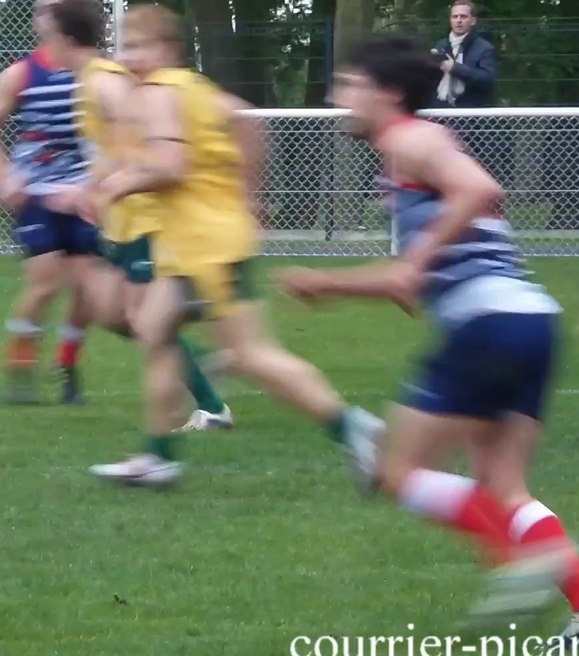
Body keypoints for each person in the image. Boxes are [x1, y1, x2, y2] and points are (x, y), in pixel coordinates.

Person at [276, 35, 579, 640]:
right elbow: (410, 271)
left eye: (350, 84)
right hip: (526, 319)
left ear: (387, 93)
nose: (339, 98)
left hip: (485, 323)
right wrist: (332, 283)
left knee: (394, 469)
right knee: (504, 486)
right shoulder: (403, 155)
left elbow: (480, 191)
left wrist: (416, 263)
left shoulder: (412, 138)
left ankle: (520, 560)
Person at [85, 4, 382, 486]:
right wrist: (250, 195)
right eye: (124, 46)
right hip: (206, 237)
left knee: (250, 355)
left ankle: (354, 427)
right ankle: (158, 455)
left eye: (138, 46)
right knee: (155, 331)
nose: (128, 57)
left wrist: (116, 185)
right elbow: (248, 120)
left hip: (203, 245)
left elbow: (169, 167)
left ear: (166, 49)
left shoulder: (161, 91)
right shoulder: (193, 87)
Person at [41, 0, 233, 432]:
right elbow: (117, 144)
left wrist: (104, 184)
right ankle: (203, 356)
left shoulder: (104, 81)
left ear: (66, 39)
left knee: (143, 319)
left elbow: (140, 133)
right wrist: (92, 188)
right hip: (124, 217)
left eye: (46, 35)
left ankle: (210, 399)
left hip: (144, 214)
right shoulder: (90, 81)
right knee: (116, 313)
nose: (43, 45)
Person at [0, 0, 98, 405]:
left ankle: (68, 363)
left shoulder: (97, 73)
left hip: (85, 192)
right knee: (45, 283)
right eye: (41, 9)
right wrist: (3, 177)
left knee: (88, 289)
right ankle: (21, 367)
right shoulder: (21, 74)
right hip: (37, 193)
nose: (44, 16)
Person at [432, 1, 498, 108]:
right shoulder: (441, 45)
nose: (458, 20)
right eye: (455, 17)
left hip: (472, 113)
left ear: (473, 20)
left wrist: (455, 68)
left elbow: (487, 79)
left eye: (463, 17)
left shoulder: (484, 48)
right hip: (443, 109)